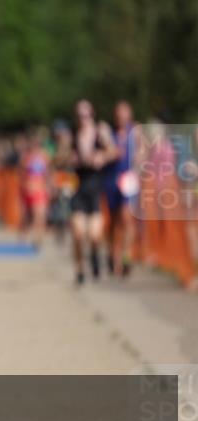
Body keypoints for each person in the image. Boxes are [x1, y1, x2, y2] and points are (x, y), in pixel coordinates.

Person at [65, 99, 117, 285]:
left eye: (86, 115)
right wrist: (70, 158)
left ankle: (95, 256)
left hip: (96, 188)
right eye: (80, 115)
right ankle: (79, 269)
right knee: (78, 233)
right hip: (79, 188)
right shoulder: (71, 135)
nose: (83, 119)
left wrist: (101, 157)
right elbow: (59, 158)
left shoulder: (100, 131)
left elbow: (114, 151)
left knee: (95, 236)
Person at [103, 101, 138, 277]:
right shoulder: (109, 133)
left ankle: (126, 256)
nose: (121, 117)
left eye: (124, 113)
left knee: (127, 218)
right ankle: (111, 254)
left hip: (129, 180)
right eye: (118, 113)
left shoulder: (136, 132)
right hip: (111, 180)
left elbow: (142, 153)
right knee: (114, 221)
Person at [21, 128, 51, 248]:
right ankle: (25, 234)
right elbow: (22, 173)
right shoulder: (26, 157)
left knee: (40, 214)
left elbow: (48, 173)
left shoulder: (44, 156)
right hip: (29, 189)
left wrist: (49, 186)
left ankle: (38, 238)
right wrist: (24, 187)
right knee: (30, 215)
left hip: (41, 189)